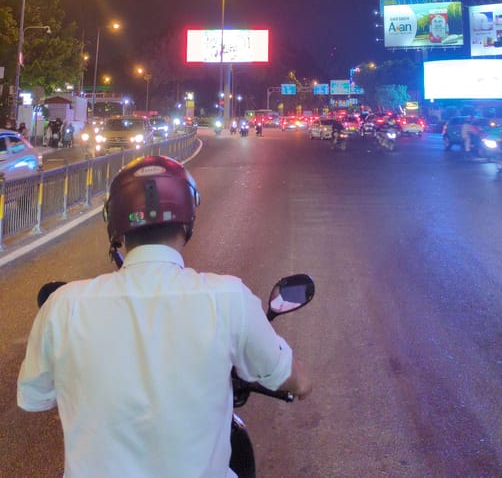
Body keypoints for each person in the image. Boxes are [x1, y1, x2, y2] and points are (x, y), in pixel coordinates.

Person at [17, 154, 312, 478]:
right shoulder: (229, 298)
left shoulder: (63, 306)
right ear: (188, 222)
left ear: (114, 225)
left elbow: (36, 397)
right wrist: (300, 382)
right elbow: (293, 379)